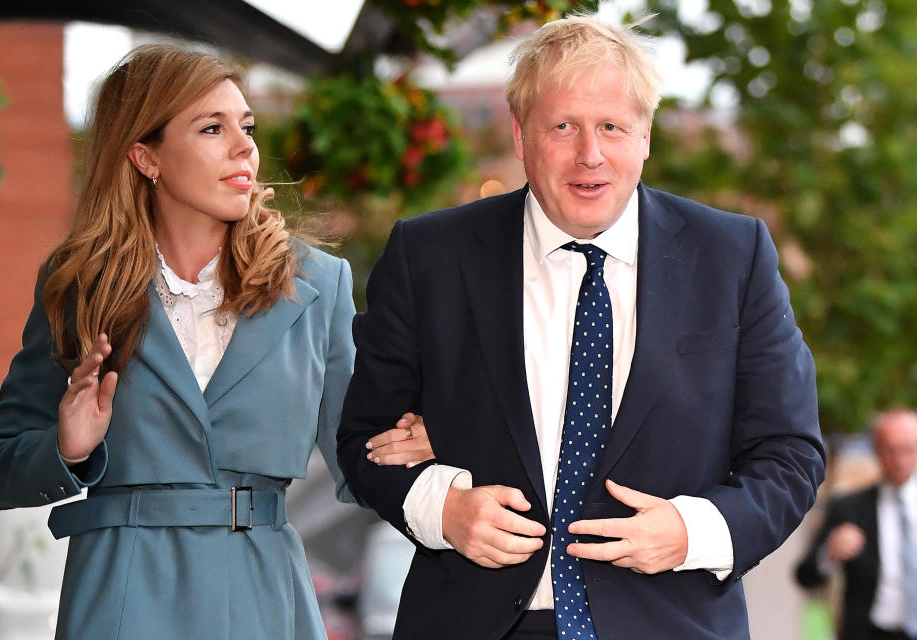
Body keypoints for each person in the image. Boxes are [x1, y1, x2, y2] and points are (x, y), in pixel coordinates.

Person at [341, 14, 825, 640]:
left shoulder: (733, 256)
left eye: (612, 127)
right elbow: (364, 439)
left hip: (669, 622)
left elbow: (790, 454)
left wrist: (692, 531)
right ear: (520, 136)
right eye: (563, 126)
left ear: (645, 135)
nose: (589, 155)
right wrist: (445, 508)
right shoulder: (427, 255)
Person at [0, 44, 431, 640]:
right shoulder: (80, 288)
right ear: (144, 155)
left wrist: (416, 442)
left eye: (247, 126)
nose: (245, 147)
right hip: (120, 596)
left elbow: (358, 453)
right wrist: (66, 448)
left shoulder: (317, 284)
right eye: (212, 127)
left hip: (266, 593)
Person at [796, 409, 917, 640]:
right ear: (877, 451)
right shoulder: (849, 508)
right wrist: (830, 553)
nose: (900, 460)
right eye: (891, 450)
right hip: (868, 632)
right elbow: (805, 575)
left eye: (908, 450)